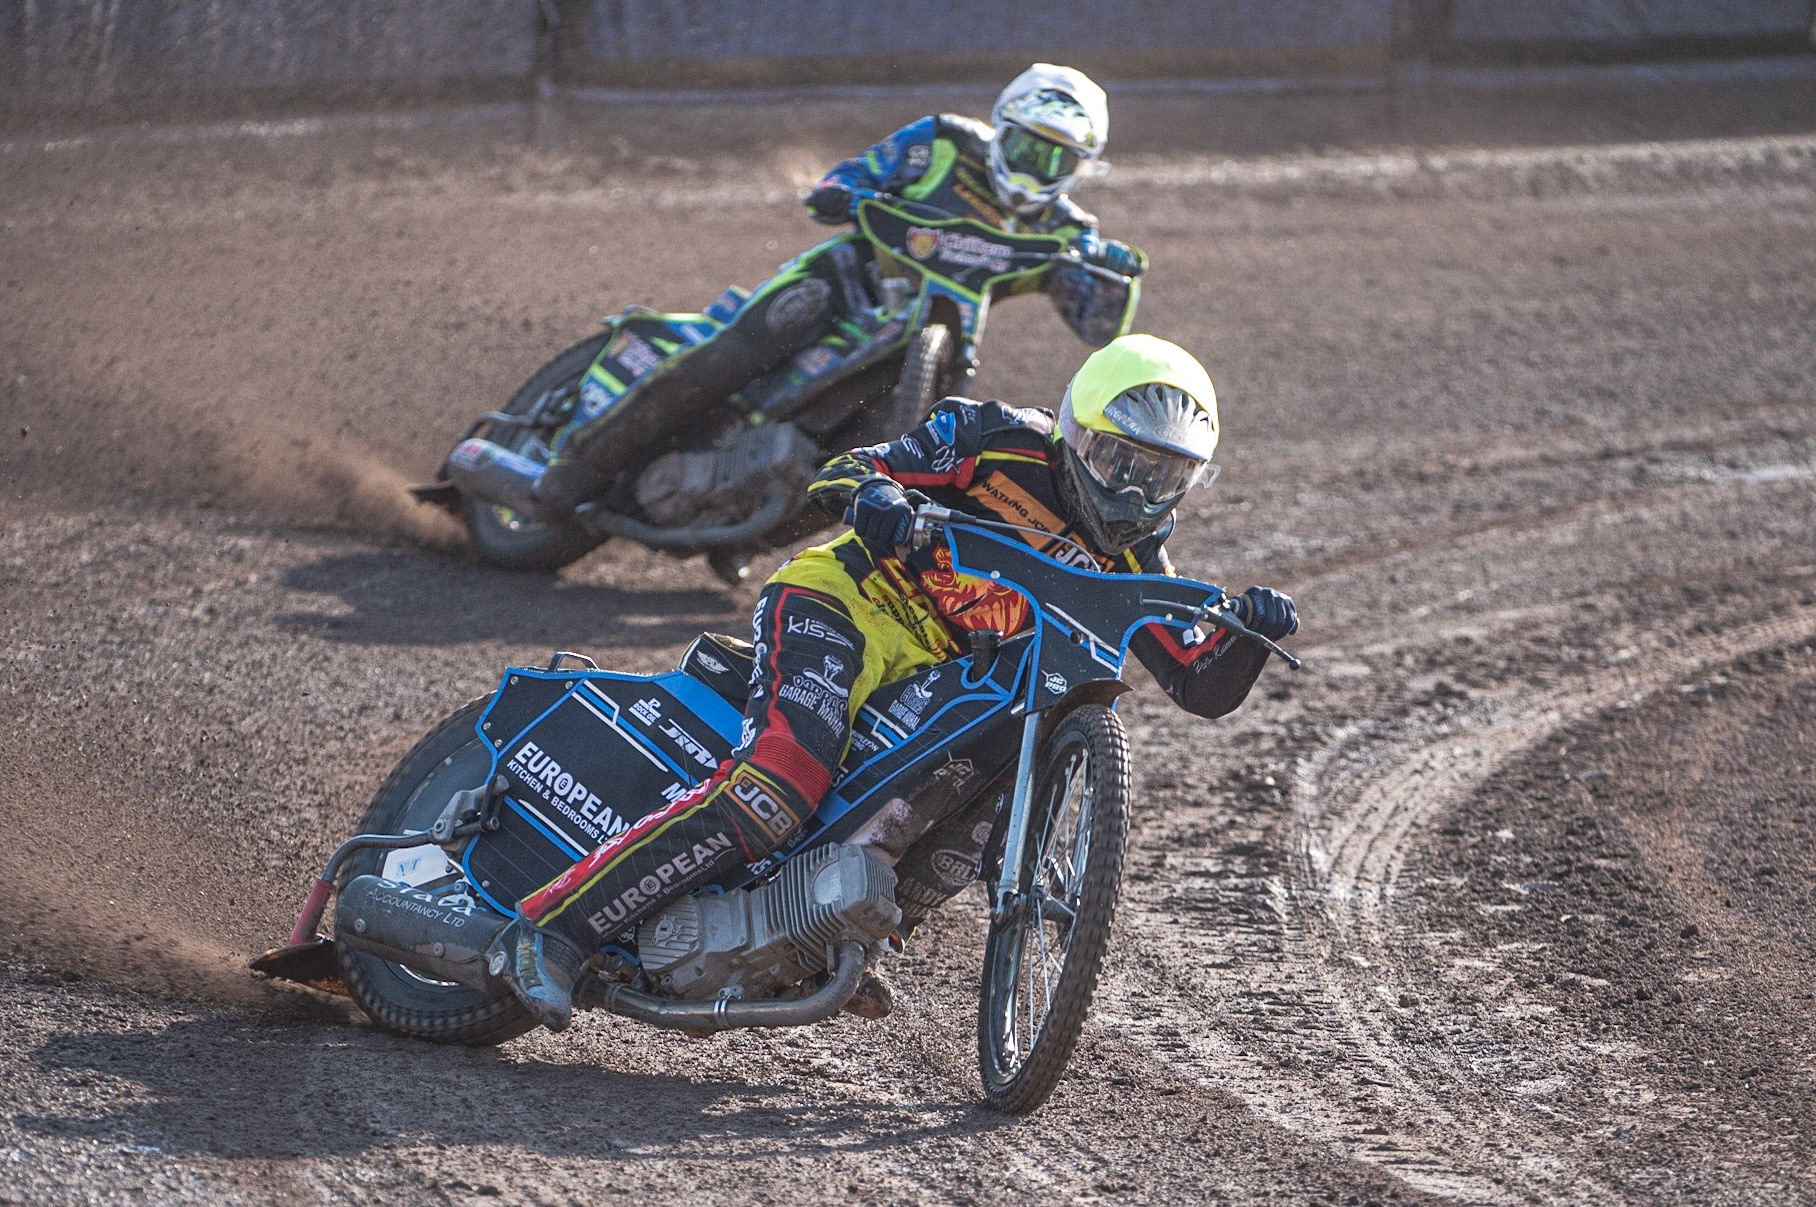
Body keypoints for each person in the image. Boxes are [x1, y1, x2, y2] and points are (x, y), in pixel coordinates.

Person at [497, 333, 1300, 1032]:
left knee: (994, 785)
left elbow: (1200, 686)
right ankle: (550, 931)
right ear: (1077, 432)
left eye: (1163, 477)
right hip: (845, 602)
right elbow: (850, 469)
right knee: (779, 782)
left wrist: (1252, 637)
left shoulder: (1138, 568)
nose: (1134, 492)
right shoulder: (989, 435)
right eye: (1122, 462)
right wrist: (878, 495)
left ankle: (852, 933)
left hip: (939, 677)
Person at [531, 62, 1148, 513]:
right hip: (844, 281)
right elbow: (852, 175)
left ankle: (762, 517)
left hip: (944, 341)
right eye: (1027, 146)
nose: (1036, 168)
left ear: (1081, 167)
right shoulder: (941, 143)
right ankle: (574, 470)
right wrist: (840, 191)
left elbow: (1099, 327)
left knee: (921, 452)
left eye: (1056, 160)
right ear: (1000, 126)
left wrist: (1114, 273)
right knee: (742, 347)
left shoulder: (1069, 230)